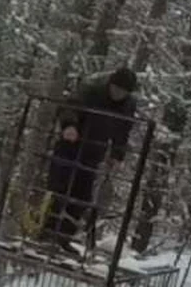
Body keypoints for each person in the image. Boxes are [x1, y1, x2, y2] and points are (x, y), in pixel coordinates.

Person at [41, 66, 139, 255]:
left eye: (123, 91)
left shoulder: (128, 105)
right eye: (116, 88)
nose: (117, 94)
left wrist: (117, 155)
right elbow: (71, 107)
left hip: (93, 152)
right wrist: (70, 125)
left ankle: (63, 238)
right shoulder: (92, 90)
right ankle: (47, 235)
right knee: (60, 189)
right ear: (110, 84)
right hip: (70, 145)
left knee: (81, 196)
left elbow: (123, 130)